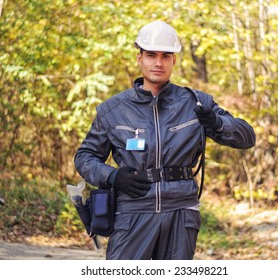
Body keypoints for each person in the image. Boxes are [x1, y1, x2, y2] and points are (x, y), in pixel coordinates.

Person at [74, 20, 256, 260]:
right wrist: (113, 176)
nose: (158, 62)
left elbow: (247, 137)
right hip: (132, 213)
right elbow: (85, 157)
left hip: (181, 214)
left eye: (165, 56)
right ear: (139, 58)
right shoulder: (113, 110)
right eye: (151, 55)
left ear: (174, 60)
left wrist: (217, 122)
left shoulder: (196, 103)